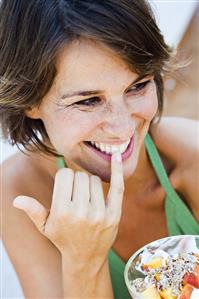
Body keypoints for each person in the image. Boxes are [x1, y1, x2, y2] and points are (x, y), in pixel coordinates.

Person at [0, 1, 198, 298]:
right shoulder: (20, 193)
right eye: (88, 101)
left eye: (138, 85)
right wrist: (84, 261)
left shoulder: (193, 159)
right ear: (30, 101)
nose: (121, 128)